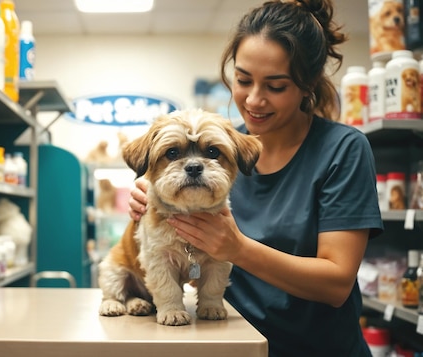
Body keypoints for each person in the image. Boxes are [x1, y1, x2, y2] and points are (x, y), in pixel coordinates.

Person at [127, 0, 384, 356]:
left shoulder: (342, 149)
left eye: (275, 86)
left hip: (317, 349)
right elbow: (187, 263)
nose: (254, 99)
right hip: (235, 344)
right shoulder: (220, 146)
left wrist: (237, 248)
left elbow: (336, 283)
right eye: (243, 80)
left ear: (307, 85)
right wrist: (153, 191)